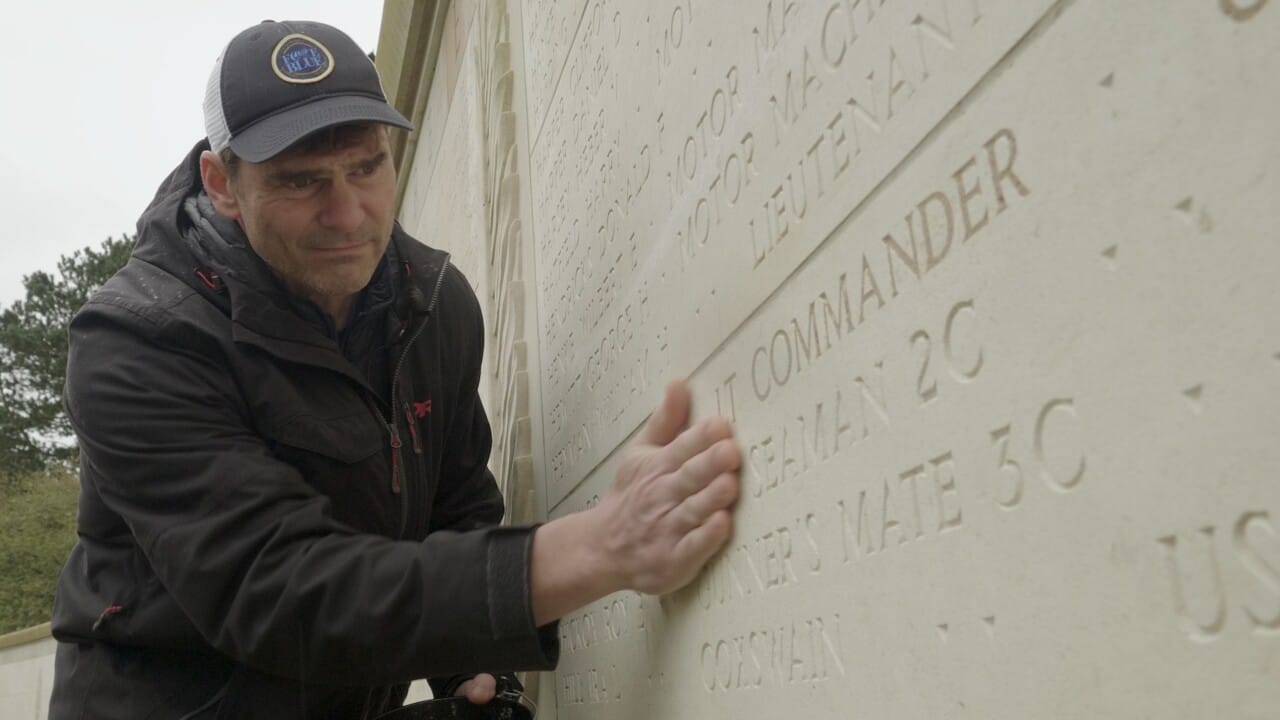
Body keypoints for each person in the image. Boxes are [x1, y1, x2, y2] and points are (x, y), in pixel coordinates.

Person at [47, 20, 740, 719]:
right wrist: (596, 546)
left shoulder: (433, 304)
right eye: (302, 181)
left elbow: (457, 507)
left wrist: (476, 671)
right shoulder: (136, 341)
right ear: (222, 183)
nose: (348, 213)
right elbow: (277, 588)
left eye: (367, 166)